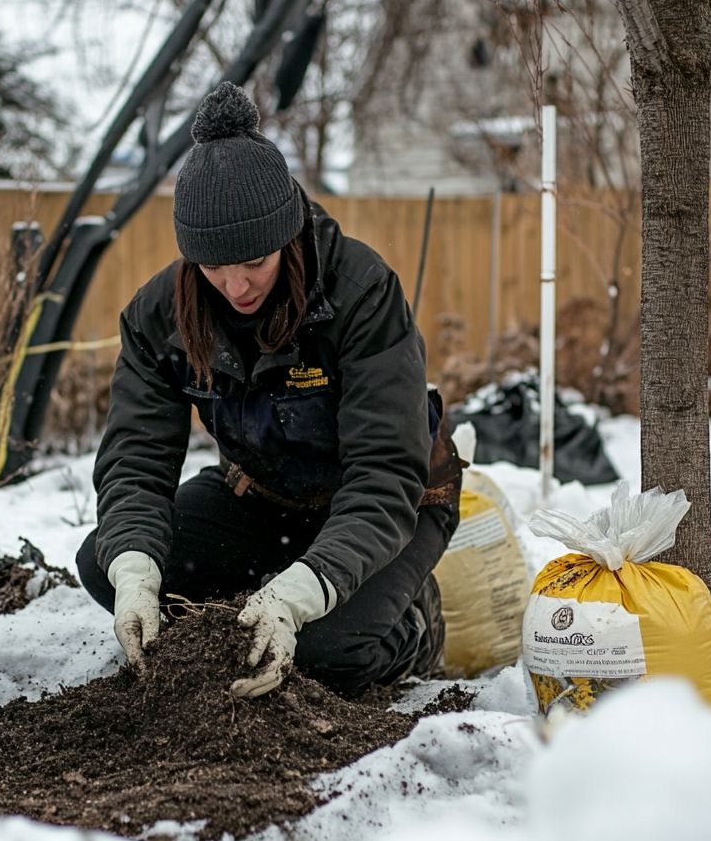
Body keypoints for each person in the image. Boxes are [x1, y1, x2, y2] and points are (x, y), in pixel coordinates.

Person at [75, 82, 463, 698]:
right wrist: (136, 573)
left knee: (329, 656)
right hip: (261, 500)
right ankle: (273, 595)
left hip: (390, 505)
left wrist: (302, 592)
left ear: (285, 233)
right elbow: (137, 462)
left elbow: (386, 475)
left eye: (255, 261)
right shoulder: (158, 320)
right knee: (109, 563)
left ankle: (413, 622)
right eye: (214, 267)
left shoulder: (361, 294)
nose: (236, 285)